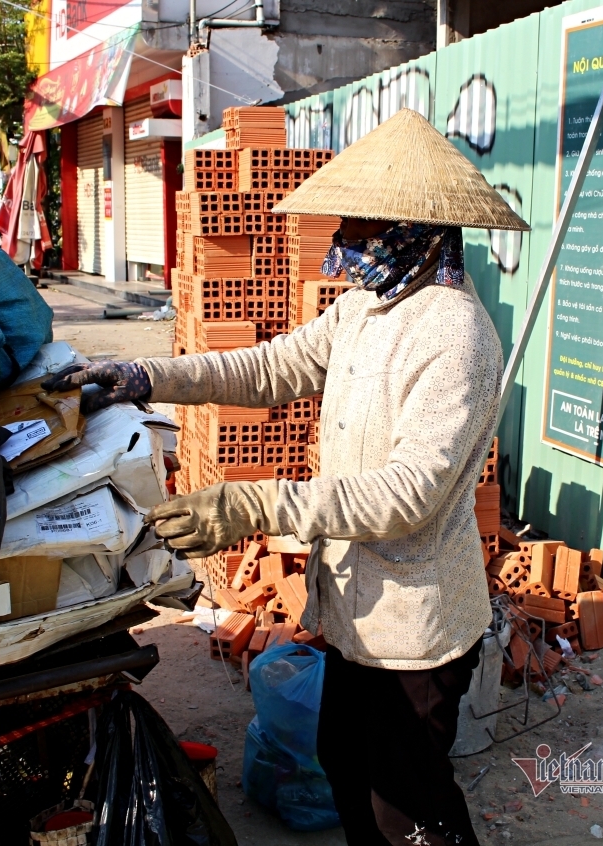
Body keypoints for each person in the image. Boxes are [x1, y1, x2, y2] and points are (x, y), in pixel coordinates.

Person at [41, 109, 530, 846]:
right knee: (343, 760)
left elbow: (408, 495)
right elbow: (271, 366)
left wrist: (255, 504)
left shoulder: (454, 335)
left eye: (358, 227)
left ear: (411, 228)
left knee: (410, 809)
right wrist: (147, 376)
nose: (342, 241)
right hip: (357, 612)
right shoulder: (369, 305)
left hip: (415, 624)